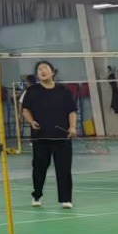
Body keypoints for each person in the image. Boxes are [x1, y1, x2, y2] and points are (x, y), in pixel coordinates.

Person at [19, 60, 78, 209]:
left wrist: (72, 127)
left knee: (64, 169)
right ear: (37, 74)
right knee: (39, 169)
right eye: (39, 69)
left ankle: (66, 199)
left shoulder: (64, 91)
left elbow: (71, 111)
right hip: (40, 137)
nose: (42, 71)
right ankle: (37, 195)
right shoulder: (32, 91)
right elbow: (25, 110)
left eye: (45, 68)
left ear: (52, 72)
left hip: (62, 137)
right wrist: (31, 121)